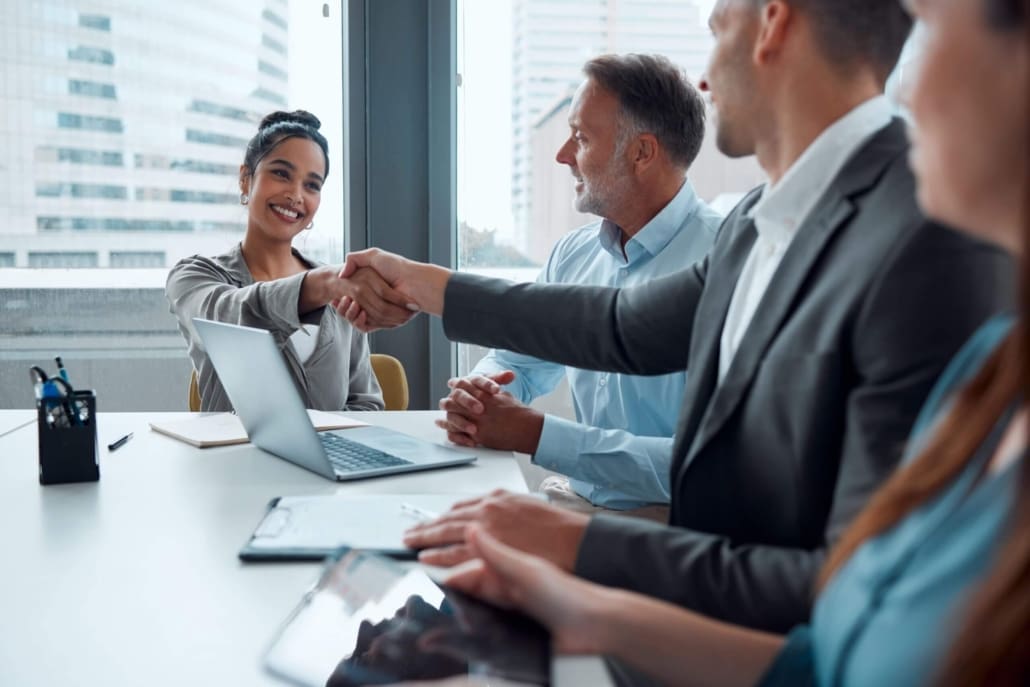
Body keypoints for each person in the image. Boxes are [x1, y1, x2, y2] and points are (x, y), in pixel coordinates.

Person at [337, 0, 1014, 633]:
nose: (704, 75)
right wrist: (425, 286)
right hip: (689, 599)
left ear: (773, 23)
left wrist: (579, 547)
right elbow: (620, 326)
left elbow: (847, 585)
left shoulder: (926, 234)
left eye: (718, 29)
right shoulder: (758, 219)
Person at [443, 54, 721, 515]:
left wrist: (535, 434)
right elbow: (519, 361)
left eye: (581, 138)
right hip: (574, 499)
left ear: (642, 152)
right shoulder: (574, 253)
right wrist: (481, 392)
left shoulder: (727, 259)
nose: (563, 156)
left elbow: (706, 466)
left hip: (678, 524)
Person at [166, 110, 411, 412]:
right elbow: (227, 319)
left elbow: (365, 402)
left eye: (312, 185)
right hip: (235, 458)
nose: (296, 195)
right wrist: (322, 286)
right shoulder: (195, 276)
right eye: (281, 173)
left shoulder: (339, 286)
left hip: (331, 458)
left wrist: (332, 447)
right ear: (246, 179)